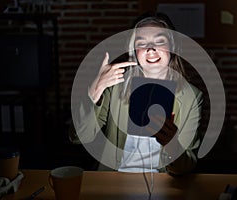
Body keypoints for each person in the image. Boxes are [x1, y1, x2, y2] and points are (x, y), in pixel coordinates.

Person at [71, 12, 203, 175]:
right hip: (114, 181)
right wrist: (94, 90)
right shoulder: (115, 85)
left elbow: (186, 168)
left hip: (162, 184)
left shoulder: (192, 97)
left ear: (173, 47)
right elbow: (79, 137)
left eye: (160, 41)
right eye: (142, 43)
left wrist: (172, 144)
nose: (151, 49)